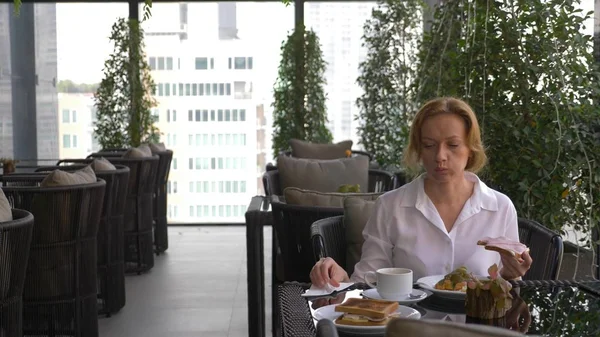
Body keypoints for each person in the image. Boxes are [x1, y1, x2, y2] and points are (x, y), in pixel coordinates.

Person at [310, 97, 533, 289]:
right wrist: (341, 278)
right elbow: (368, 282)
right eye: (429, 145)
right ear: (418, 149)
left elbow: (508, 290)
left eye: (453, 145)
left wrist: (512, 274)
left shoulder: (500, 207)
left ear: (470, 148)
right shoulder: (390, 207)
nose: (440, 156)